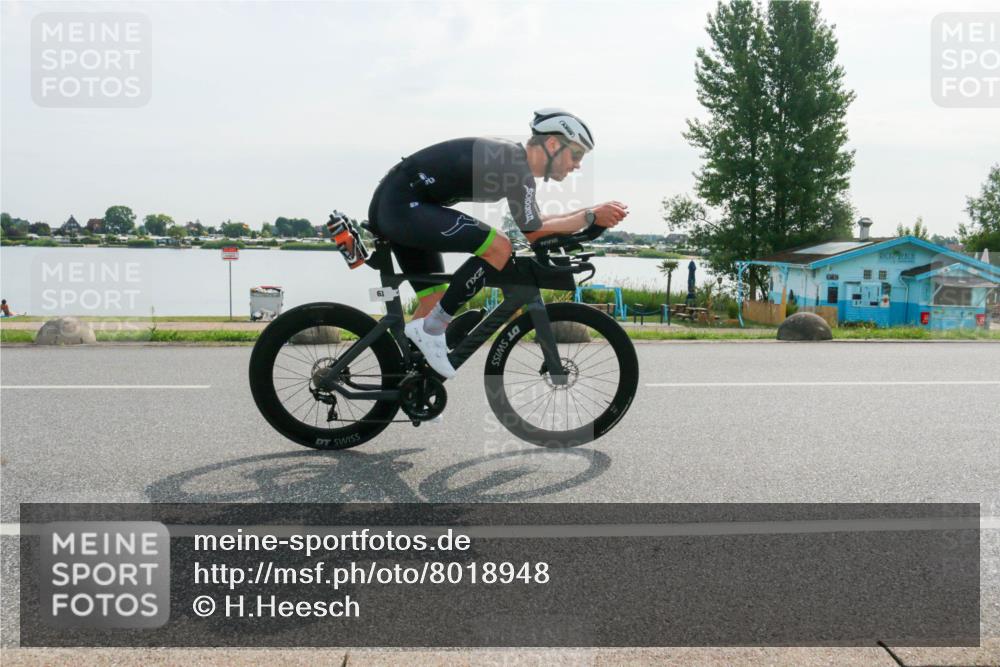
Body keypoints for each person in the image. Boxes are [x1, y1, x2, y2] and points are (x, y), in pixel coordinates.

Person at [367, 109, 628, 378]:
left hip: (402, 205)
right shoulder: (515, 165)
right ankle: (431, 329)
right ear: (552, 144)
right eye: (576, 154)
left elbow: (537, 222)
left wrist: (590, 213)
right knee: (500, 246)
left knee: (433, 300)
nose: (577, 165)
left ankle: (406, 380)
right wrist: (590, 216)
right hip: (403, 207)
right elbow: (534, 232)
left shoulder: (514, 163)